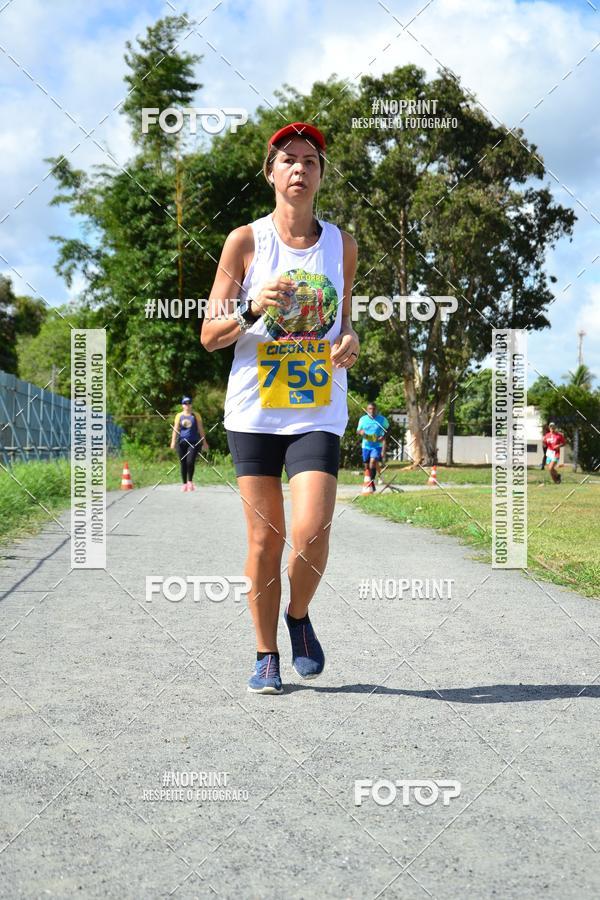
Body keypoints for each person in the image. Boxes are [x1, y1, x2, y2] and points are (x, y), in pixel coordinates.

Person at [201, 122, 359, 694]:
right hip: (254, 412)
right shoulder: (246, 242)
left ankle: (298, 616)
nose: (299, 168)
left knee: (312, 531)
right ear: (270, 173)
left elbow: (345, 324)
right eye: (288, 160)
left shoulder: (341, 244)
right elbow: (210, 334)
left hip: (316, 408)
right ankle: (265, 652)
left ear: (320, 174)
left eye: (310, 160)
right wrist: (251, 307)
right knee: (266, 540)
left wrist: (351, 341)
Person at [169, 396, 208, 492]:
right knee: (183, 463)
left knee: (190, 462)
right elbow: (175, 429)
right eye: (185, 403)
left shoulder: (196, 415)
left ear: (191, 404)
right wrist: (173, 441)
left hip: (193, 442)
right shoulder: (179, 416)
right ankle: (184, 484)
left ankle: (190, 481)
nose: (187, 405)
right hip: (182, 442)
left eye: (189, 403)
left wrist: (204, 442)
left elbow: (200, 429)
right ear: (182, 405)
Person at [357, 401, 389, 489]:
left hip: (377, 445)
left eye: (373, 409)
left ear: (376, 410)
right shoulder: (363, 419)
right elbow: (358, 430)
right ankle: (370, 480)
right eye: (370, 409)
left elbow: (388, 429)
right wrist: (361, 432)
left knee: (373, 462)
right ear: (367, 410)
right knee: (367, 466)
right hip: (366, 446)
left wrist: (383, 436)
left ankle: (372, 482)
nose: (372, 411)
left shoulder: (382, 419)